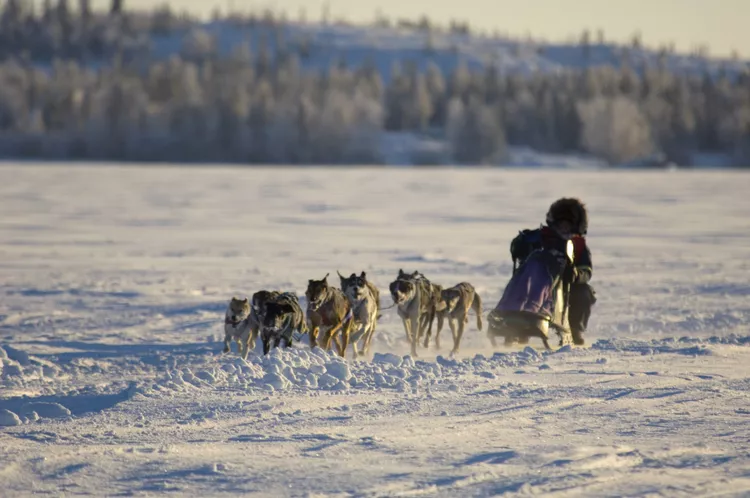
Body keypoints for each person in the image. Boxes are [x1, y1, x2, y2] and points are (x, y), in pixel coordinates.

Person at [508, 197, 596, 345]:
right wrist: (520, 245)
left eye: (568, 226)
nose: (564, 229)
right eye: (560, 225)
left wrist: (576, 275)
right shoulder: (541, 237)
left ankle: (575, 329)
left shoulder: (578, 246)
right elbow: (522, 248)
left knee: (584, 292)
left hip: (567, 285)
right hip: (540, 280)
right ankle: (516, 322)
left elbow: (586, 270)